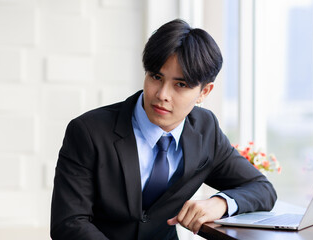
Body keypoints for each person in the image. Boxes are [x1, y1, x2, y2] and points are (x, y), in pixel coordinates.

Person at [50, 19, 277, 240]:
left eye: (180, 85)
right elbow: (69, 223)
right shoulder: (89, 131)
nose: (162, 95)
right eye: (156, 77)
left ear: (204, 92)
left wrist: (221, 203)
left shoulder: (205, 129)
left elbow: (261, 188)